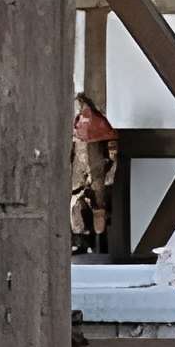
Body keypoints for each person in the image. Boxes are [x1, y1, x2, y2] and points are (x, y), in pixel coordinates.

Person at [70, 93, 118, 254]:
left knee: (90, 195)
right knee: (77, 196)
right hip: (84, 160)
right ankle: (80, 235)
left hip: (92, 161)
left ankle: (86, 233)